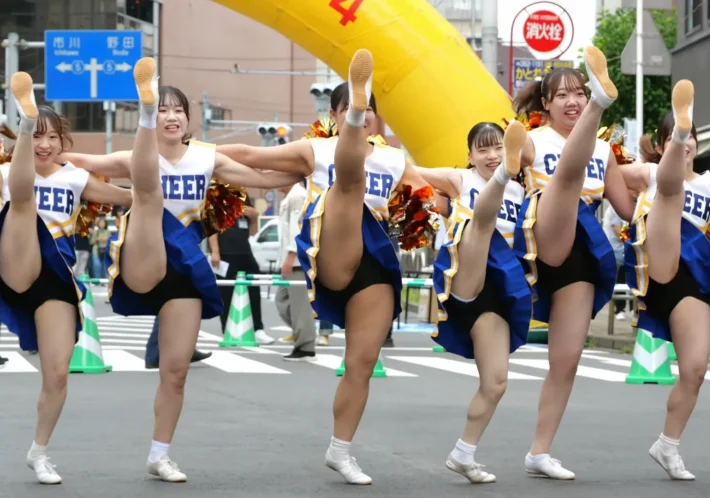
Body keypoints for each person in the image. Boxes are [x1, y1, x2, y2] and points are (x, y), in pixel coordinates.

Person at [57, 57, 299, 482]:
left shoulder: (206, 158)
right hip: (143, 255)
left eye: (177, 110)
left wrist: (316, 166)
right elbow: (76, 160)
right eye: (162, 109)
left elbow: (262, 180)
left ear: (188, 121)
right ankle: (142, 120)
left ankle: (160, 453)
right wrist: (31, 147)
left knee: (176, 371)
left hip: (186, 267)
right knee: (146, 187)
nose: (172, 116)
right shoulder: (132, 157)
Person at [217, 49, 434, 485]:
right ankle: (346, 144)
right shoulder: (314, 149)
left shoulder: (394, 160)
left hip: (373, 261)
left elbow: (436, 186)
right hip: (329, 246)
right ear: (335, 115)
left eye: (369, 110)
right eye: (355, 109)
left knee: (361, 363)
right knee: (348, 182)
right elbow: (253, 155)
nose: (367, 115)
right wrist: (193, 150)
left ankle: (341, 450)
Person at [0, 72, 133, 484]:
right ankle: (23, 116)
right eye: (35, 135)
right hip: (13, 261)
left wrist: (162, 178)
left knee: (57, 373)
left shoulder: (75, 177)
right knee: (22, 202)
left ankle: (39, 452)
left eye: (52, 137)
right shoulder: (5, 175)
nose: (45, 144)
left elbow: (132, 197)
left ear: (63, 142)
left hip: (57, 277)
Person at [510, 46, 634, 479]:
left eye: (580, 94)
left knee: (566, 360)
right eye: (562, 95)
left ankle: (539, 452)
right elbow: (496, 172)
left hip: (583, 255)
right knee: (565, 177)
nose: (571, 101)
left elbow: (629, 211)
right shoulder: (530, 140)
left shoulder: (605, 154)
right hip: (539, 238)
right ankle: (608, 99)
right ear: (545, 104)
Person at [620, 80, 710, 480]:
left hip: (691, 279)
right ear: (662, 145)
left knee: (694, 369)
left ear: (695, 142)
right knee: (668, 187)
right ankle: (674, 124)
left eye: (689, 136)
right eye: (678, 136)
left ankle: (668, 445)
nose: (688, 143)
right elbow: (603, 178)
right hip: (657, 261)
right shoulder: (649, 172)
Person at [417, 120, 532, 483]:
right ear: (470, 157)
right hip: (464, 274)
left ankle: (463, 453)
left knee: (496, 383)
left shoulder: (521, 194)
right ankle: (492, 191)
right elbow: (409, 171)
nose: (492, 154)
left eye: (499, 147)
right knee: (480, 225)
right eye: (483, 149)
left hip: (498, 292)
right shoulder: (458, 180)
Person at [207, 197, 274, 344]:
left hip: (245, 253)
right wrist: (215, 251)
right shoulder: (218, 199)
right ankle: (227, 330)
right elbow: (212, 228)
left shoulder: (245, 202)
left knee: (254, 291)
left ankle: (258, 329)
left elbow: (252, 234)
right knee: (225, 294)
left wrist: (255, 218)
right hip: (225, 255)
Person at [275, 181, 317, 361]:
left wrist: (291, 257)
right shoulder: (291, 197)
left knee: (300, 306)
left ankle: (306, 347)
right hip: (290, 259)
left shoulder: (297, 196)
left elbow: (297, 229)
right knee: (282, 299)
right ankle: (301, 333)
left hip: (297, 260)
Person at [602, 203, 630, 319]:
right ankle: (620, 309)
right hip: (617, 250)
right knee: (622, 279)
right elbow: (617, 229)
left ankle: (629, 309)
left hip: (620, 250)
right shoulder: (616, 208)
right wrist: (630, 241)